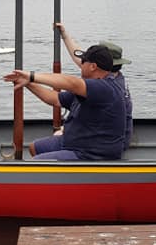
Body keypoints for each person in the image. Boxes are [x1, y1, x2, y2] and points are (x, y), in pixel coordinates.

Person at [5, 44, 127, 160]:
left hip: (92, 153)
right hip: (74, 142)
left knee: (37, 163)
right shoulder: (87, 89)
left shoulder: (105, 88)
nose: (81, 65)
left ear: (92, 66)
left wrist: (32, 76)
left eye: (83, 62)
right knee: (35, 147)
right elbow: (54, 98)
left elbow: (71, 82)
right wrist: (28, 83)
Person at [55, 22, 133, 152]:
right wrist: (64, 34)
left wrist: (65, 131)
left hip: (111, 139)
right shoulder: (107, 75)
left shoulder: (112, 87)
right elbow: (79, 57)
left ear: (97, 65)